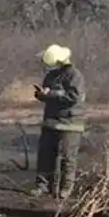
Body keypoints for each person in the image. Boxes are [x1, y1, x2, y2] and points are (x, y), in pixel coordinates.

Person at [33, 44, 85, 199]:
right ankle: (42, 186)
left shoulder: (75, 76)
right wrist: (41, 94)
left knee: (68, 157)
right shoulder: (51, 76)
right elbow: (47, 95)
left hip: (70, 123)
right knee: (45, 155)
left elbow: (74, 97)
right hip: (51, 121)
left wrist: (52, 94)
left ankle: (66, 188)